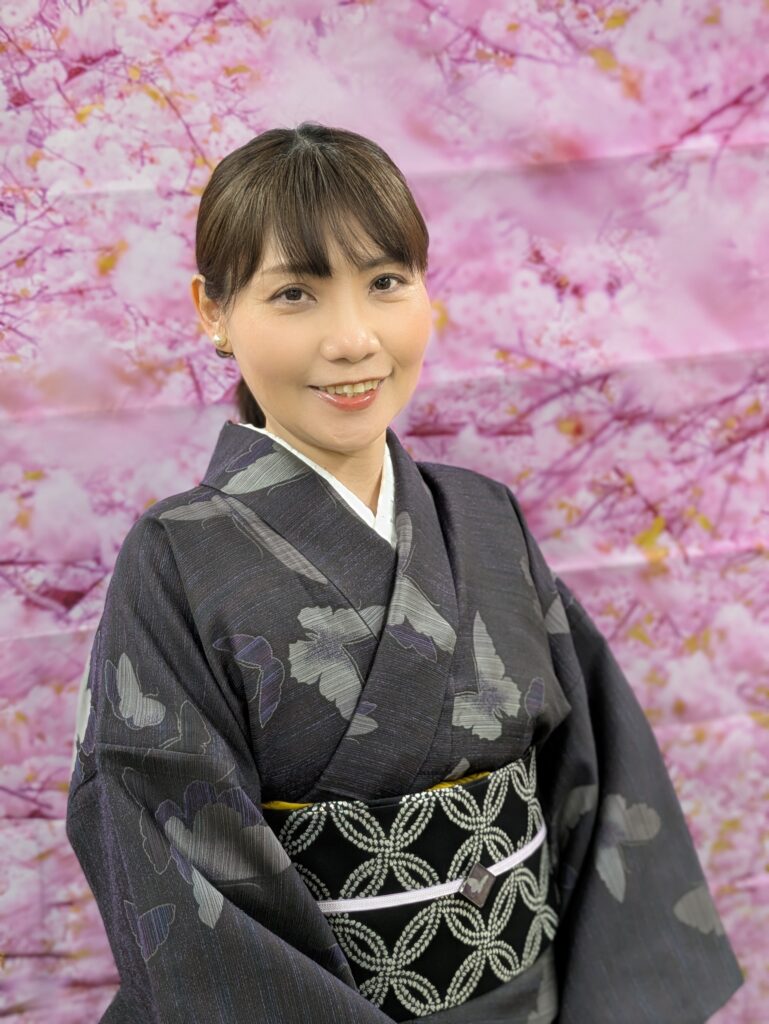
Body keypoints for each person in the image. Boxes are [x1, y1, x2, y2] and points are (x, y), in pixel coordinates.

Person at [65, 122, 743, 1023]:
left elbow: (599, 775)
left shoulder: (485, 518)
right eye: (295, 294)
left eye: (386, 282)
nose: (353, 340)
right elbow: (170, 867)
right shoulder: (176, 560)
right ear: (213, 311)